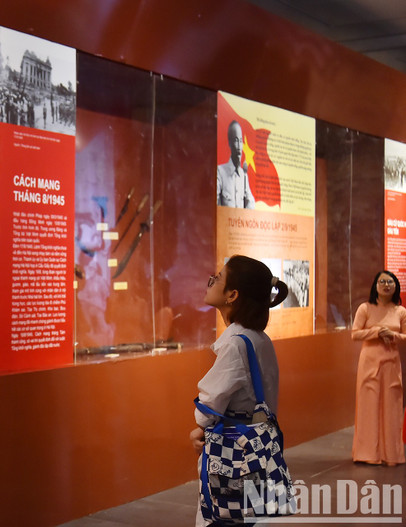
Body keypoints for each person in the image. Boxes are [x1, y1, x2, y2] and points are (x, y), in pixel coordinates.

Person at [190, 255, 288, 526]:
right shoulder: (260, 338)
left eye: (218, 278)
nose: (211, 281)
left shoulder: (234, 344)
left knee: (221, 516)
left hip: (233, 451)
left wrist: (199, 427)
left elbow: (211, 401)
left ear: (232, 295)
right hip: (260, 447)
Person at [351, 270, 406, 466]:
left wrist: (393, 335)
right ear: (375, 285)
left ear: (395, 286)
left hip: (391, 361)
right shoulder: (365, 308)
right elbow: (355, 334)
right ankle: (367, 452)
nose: (386, 285)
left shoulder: (400, 311)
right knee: (369, 404)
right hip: (370, 361)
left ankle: (392, 453)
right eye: (382, 281)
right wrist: (375, 332)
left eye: (390, 282)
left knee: (391, 404)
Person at [217, 121, 255, 209]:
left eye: (241, 141)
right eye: (236, 140)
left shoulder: (243, 175)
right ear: (230, 143)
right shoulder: (220, 172)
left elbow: (251, 202)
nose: (239, 146)